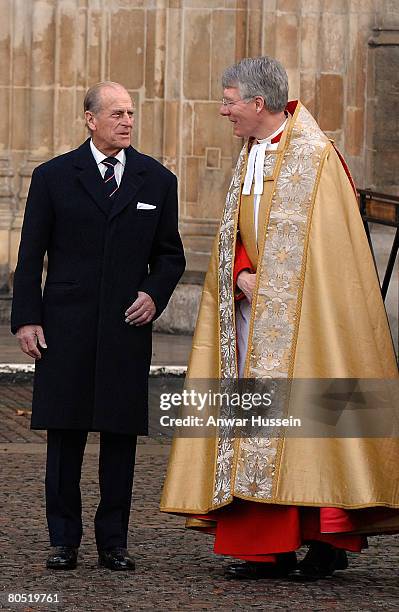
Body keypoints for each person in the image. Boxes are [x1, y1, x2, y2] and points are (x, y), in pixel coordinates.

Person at [160, 57, 399, 581]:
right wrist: (242, 271)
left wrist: (287, 292)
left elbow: (336, 253)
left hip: (307, 325)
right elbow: (236, 234)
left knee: (312, 425)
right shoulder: (250, 152)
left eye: (229, 101)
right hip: (252, 321)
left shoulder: (315, 158)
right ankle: (264, 546)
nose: (223, 111)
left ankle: (323, 536)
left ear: (258, 103)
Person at [12, 81, 185, 571]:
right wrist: (27, 318)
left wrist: (154, 293)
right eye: (116, 113)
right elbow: (30, 256)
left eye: (130, 113)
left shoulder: (157, 180)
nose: (127, 121)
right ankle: (62, 540)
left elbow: (171, 256)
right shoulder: (53, 177)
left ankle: (114, 542)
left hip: (125, 328)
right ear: (90, 119)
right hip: (64, 326)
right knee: (64, 437)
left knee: (120, 437)